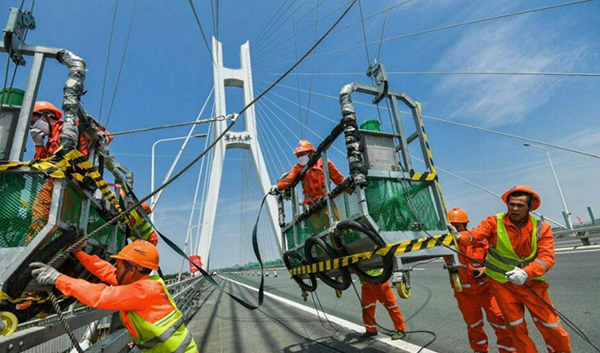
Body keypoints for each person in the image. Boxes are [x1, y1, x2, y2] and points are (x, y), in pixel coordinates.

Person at [456, 186, 571, 353]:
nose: (514, 209)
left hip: (532, 284)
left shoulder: (541, 228)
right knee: (516, 329)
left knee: (551, 325)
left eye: (520, 205)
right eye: (511, 204)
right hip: (503, 285)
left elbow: (546, 258)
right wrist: (460, 236)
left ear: (530, 207)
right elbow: (475, 235)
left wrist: (526, 273)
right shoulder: (494, 221)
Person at [29, 240, 198, 352]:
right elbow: (106, 270)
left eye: (118, 265)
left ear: (132, 269)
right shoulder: (147, 283)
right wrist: (80, 253)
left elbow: (101, 295)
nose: (114, 269)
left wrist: (58, 278)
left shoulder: (142, 291)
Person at [447, 207, 514, 353]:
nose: (456, 232)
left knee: (501, 323)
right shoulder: (446, 245)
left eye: (458, 227)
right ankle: (480, 350)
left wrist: (485, 269)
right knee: (473, 326)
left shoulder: (481, 241)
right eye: (452, 228)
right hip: (464, 294)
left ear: (465, 225)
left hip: (487, 291)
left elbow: (495, 260)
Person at [26, 101, 90, 244]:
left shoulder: (66, 130)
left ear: (46, 116)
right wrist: (39, 145)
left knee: (42, 210)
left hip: (68, 180)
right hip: (59, 180)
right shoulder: (51, 139)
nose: (33, 125)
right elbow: (44, 164)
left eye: (33, 121)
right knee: (53, 216)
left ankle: (34, 244)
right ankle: (39, 244)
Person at [272, 140, 347, 229]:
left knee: (334, 227)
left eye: (302, 154)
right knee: (315, 231)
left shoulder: (324, 162)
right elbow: (289, 179)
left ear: (311, 153)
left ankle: (338, 241)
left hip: (325, 200)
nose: (300, 157)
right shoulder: (298, 168)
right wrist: (278, 186)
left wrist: (352, 188)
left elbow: (338, 178)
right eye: (298, 156)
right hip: (310, 205)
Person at [360, 269, 406, 340]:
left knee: (391, 305)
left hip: (379, 280)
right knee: (367, 308)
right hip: (366, 282)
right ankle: (371, 330)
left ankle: (400, 330)